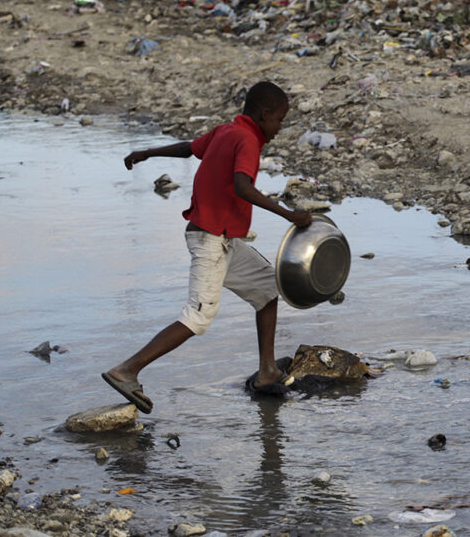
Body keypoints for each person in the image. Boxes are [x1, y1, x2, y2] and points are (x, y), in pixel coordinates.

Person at [102, 81, 313, 413]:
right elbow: (242, 186)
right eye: (280, 120)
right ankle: (126, 370)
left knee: (268, 289)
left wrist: (147, 152)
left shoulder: (227, 131)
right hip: (210, 239)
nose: (280, 127)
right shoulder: (247, 140)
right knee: (198, 317)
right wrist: (289, 215)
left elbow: (189, 148)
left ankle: (267, 370)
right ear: (265, 114)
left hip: (223, 238)